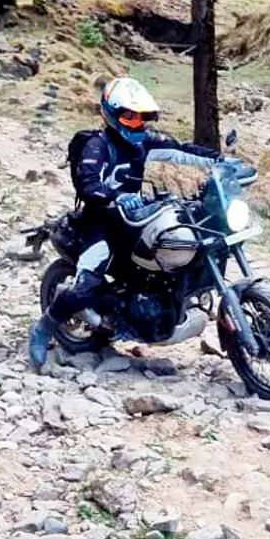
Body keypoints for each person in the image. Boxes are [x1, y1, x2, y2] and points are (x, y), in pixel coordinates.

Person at [27, 77, 222, 367]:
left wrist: (221, 161)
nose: (136, 124)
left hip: (133, 219)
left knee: (175, 248)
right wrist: (115, 197)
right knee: (87, 284)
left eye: (141, 118)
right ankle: (44, 328)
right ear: (111, 115)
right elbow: (87, 182)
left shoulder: (146, 141)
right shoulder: (98, 145)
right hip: (100, 223)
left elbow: (182, 150)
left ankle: (160, 310)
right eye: (129, 117)